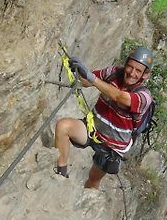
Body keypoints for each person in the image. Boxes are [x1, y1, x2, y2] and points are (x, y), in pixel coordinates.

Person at [54, 46, 153, 189]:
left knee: (93, 180)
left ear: (145, 75)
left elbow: (119, 96)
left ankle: (87, 203)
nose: (132, 73)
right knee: (63, 127)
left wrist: (92, 79)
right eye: (130, 67)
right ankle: (60, 174)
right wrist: (78, 70)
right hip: (93, 128)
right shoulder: (113, 73)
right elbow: (87, 82)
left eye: (138, 70)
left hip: (112, 146)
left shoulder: (144, 97)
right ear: (125, 65)